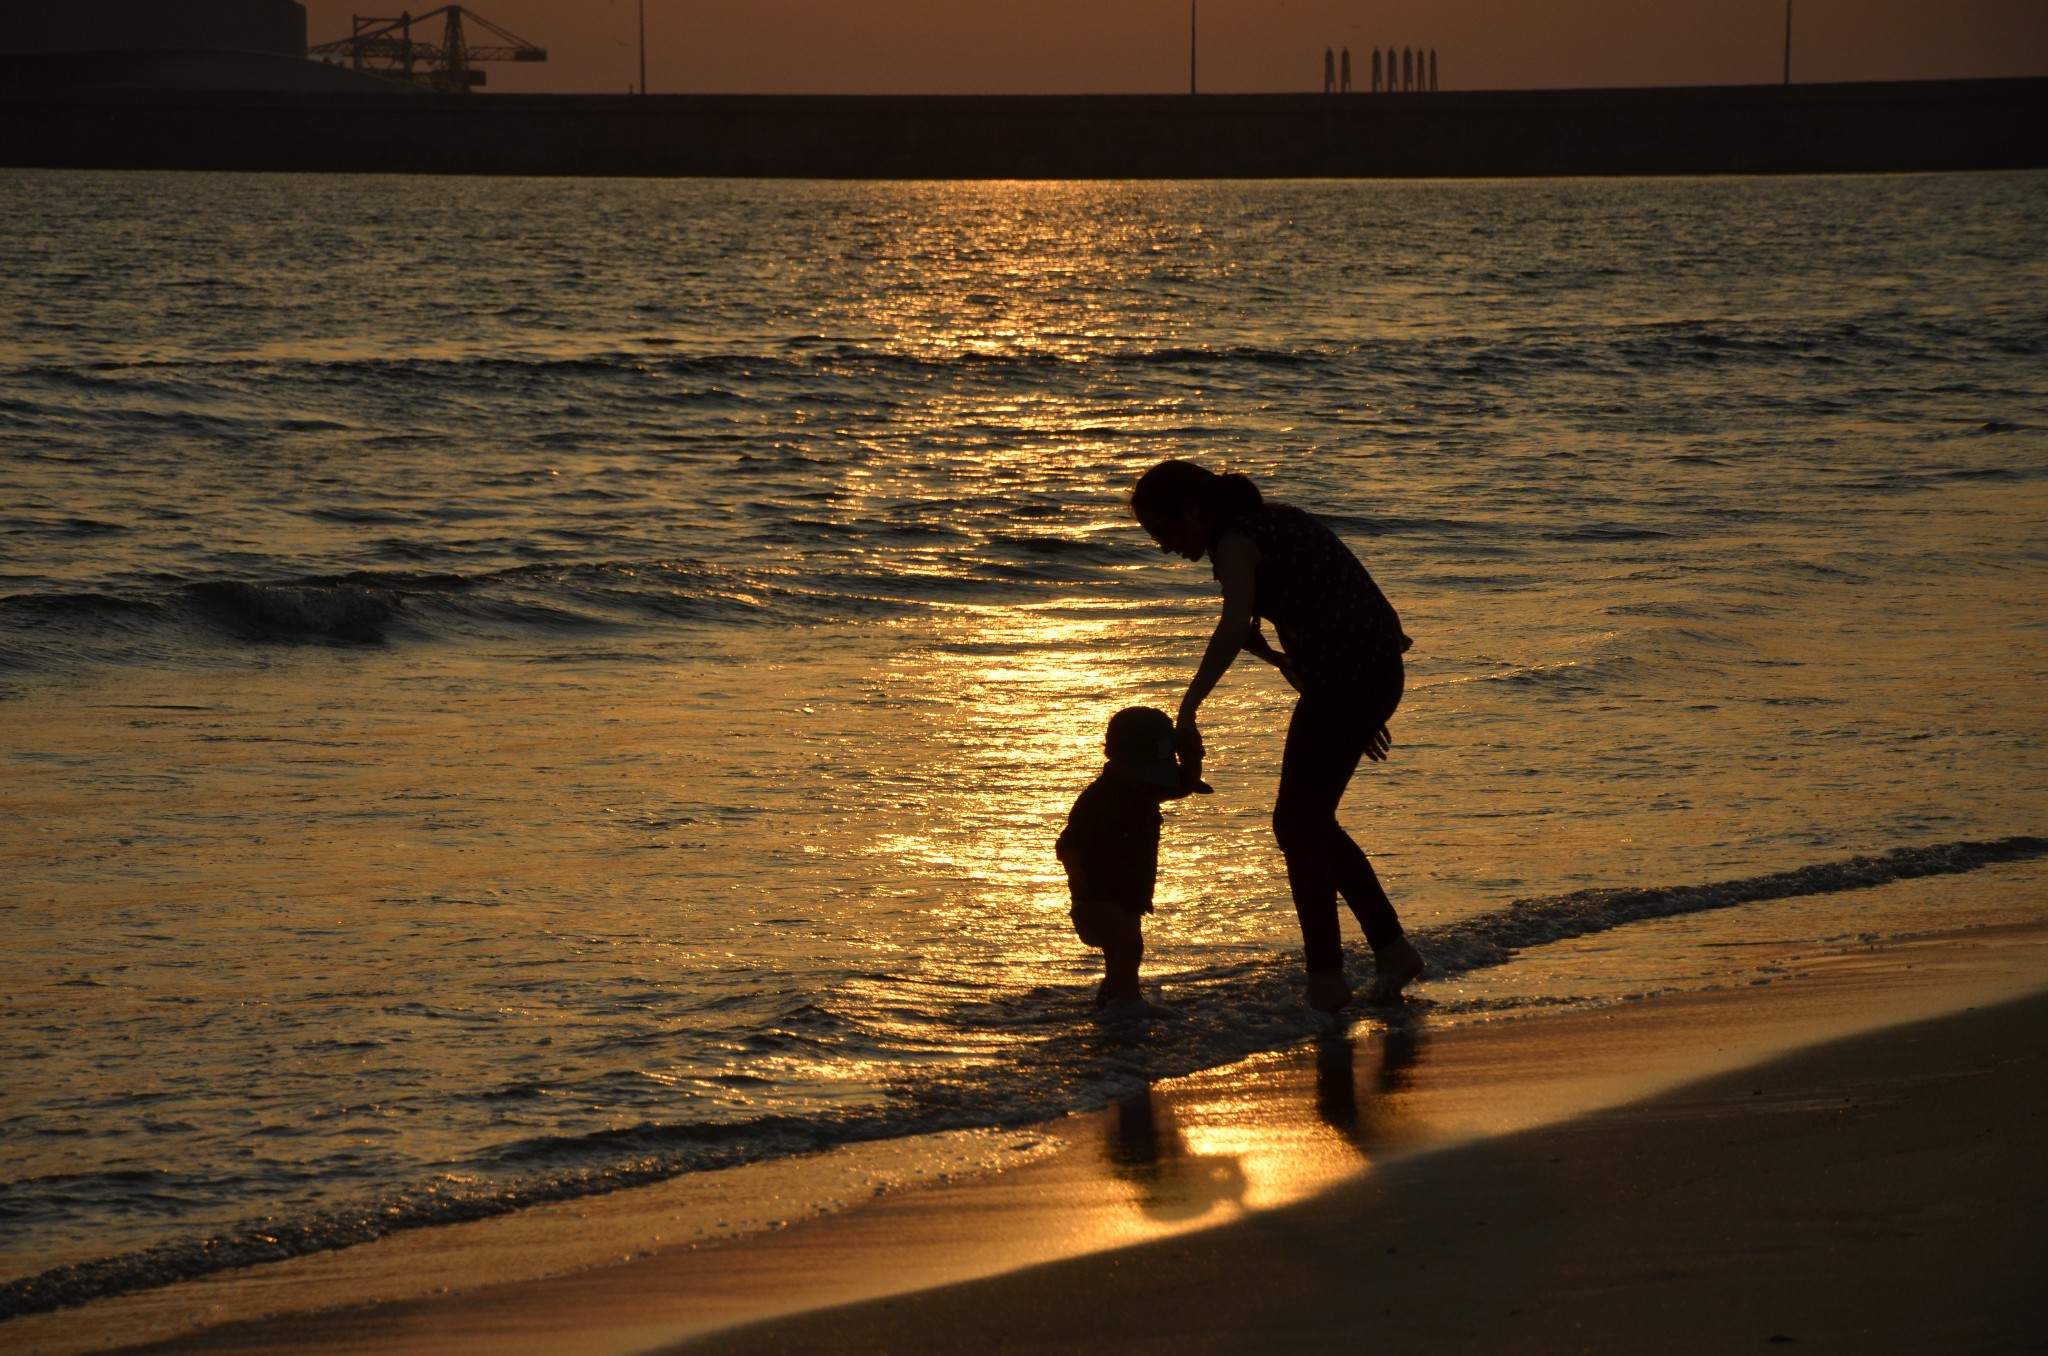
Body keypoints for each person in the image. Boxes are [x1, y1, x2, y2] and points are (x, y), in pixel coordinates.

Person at [1129, 459, 1424, 1012]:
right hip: (1363, 673)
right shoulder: (1275, 524)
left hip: (1352, 676)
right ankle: (1387, 951)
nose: (1165, 547)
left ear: (1192, 510)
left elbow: (1235, 622)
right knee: (1307, 823)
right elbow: (1320, 614)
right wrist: (1341, 701)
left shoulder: (1239, 541)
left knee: (1298, 824)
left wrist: (1189, 707)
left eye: (1164, 532)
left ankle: (1330, 980)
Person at [1056, 705, 1205, 1014]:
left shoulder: (1143, 791)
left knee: (1124, 952)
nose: (1156, 783)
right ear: (1118, 761)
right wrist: (1075, 873)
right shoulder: (1099, 798)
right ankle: (1127, 1002)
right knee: (1127, 944)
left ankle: (1114, 1001)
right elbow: (1067, 841)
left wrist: (1192, 755)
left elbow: (1186, 784)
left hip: (1127, 895)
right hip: (1097, 894)